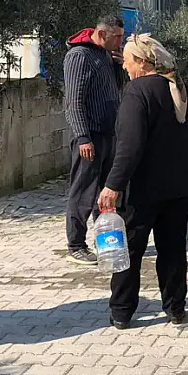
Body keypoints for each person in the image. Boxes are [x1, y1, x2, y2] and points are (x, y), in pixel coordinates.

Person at [97, 34, 188, 329]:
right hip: (178, 188)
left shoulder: (137, 92)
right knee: (172, 250)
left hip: (141, 191)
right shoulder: (180, 89)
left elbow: (130, 146)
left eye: (129, 60)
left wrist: (112, 185)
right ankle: (176, 310)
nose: (125, 67)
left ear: (143, 63)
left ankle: (122, 312)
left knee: (129, 252)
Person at [62, 15, 125, 265]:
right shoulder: (79, 56)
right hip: (89, 137)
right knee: (83, 192)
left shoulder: (106, 56)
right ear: (101, 34)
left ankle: (105, 241)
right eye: (116, 36)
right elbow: (73, 101)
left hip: (109, 134)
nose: (120, 41)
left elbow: (117, 90)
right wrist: (82, 137)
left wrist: (120, 67)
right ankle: (76, 244)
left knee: (106, 193)